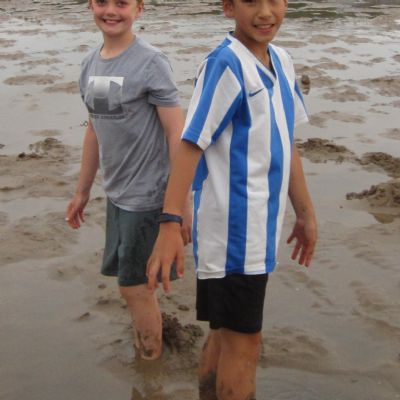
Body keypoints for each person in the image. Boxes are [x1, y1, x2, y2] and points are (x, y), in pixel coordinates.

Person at [147, 0, 317, 398]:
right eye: (251, 1)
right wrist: (170, 222)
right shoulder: (225, 64)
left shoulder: (282, 61)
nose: (265, 12)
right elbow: (191, 143)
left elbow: (286, 140)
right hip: (233, 233)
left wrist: (305, 212)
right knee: (245, 343)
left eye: (274, 0)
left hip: (260, 227)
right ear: (228, 7)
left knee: (225, 333)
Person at [66, 0, 190, 361]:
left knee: (135, 287)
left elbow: (176, 133)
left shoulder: (151, 62)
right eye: (102, 2)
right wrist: (82, 191)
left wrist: (182, 204)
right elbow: (95, 129)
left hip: (149, 196)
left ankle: (150, 365)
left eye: (122, 3)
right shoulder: (91, 63)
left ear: (139, 9)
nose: (111, 11)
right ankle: (148, 345)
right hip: (118, 195)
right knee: (133, 283)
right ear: (91, 5)